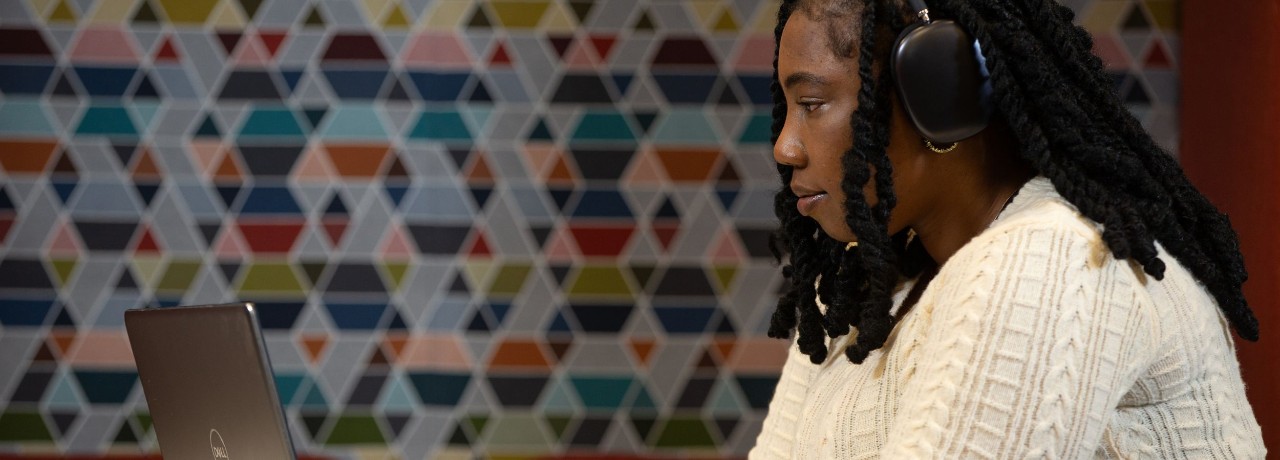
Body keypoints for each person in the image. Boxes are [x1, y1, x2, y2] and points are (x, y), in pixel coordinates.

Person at [750, 0, 1266, 458]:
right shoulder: (861, 292)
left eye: (813, 105)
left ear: (938, 97)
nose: (785, 146)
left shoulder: (1054, 259)